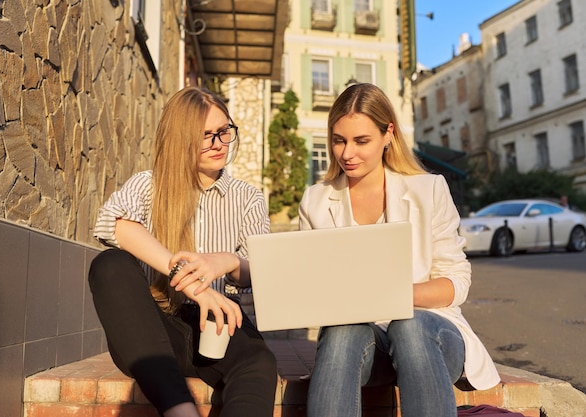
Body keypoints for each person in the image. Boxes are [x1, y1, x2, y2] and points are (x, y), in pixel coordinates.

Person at [299, 83, 500, 417]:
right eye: (339, 140)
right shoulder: (316, 201)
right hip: (362, 350)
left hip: (431, 340)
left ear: (388, 133)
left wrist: (391, 295)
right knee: (342, 330)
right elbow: (312, 286)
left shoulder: (428, 189)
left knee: (410, 326)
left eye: (361, 141)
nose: (347, 153)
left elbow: (456, 282)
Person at [88, 86, 277, 417]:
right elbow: (113, 224)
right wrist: (187, 280)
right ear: (181, 139)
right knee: (109, 265)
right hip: (154, 330)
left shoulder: (248, 198)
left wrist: (227, 260)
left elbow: (259, 271)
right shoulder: (148, 184)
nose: (218, 143)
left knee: (258, 360)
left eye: (223, 131)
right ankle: (180, 412)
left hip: (218, 327)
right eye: (205, 136)